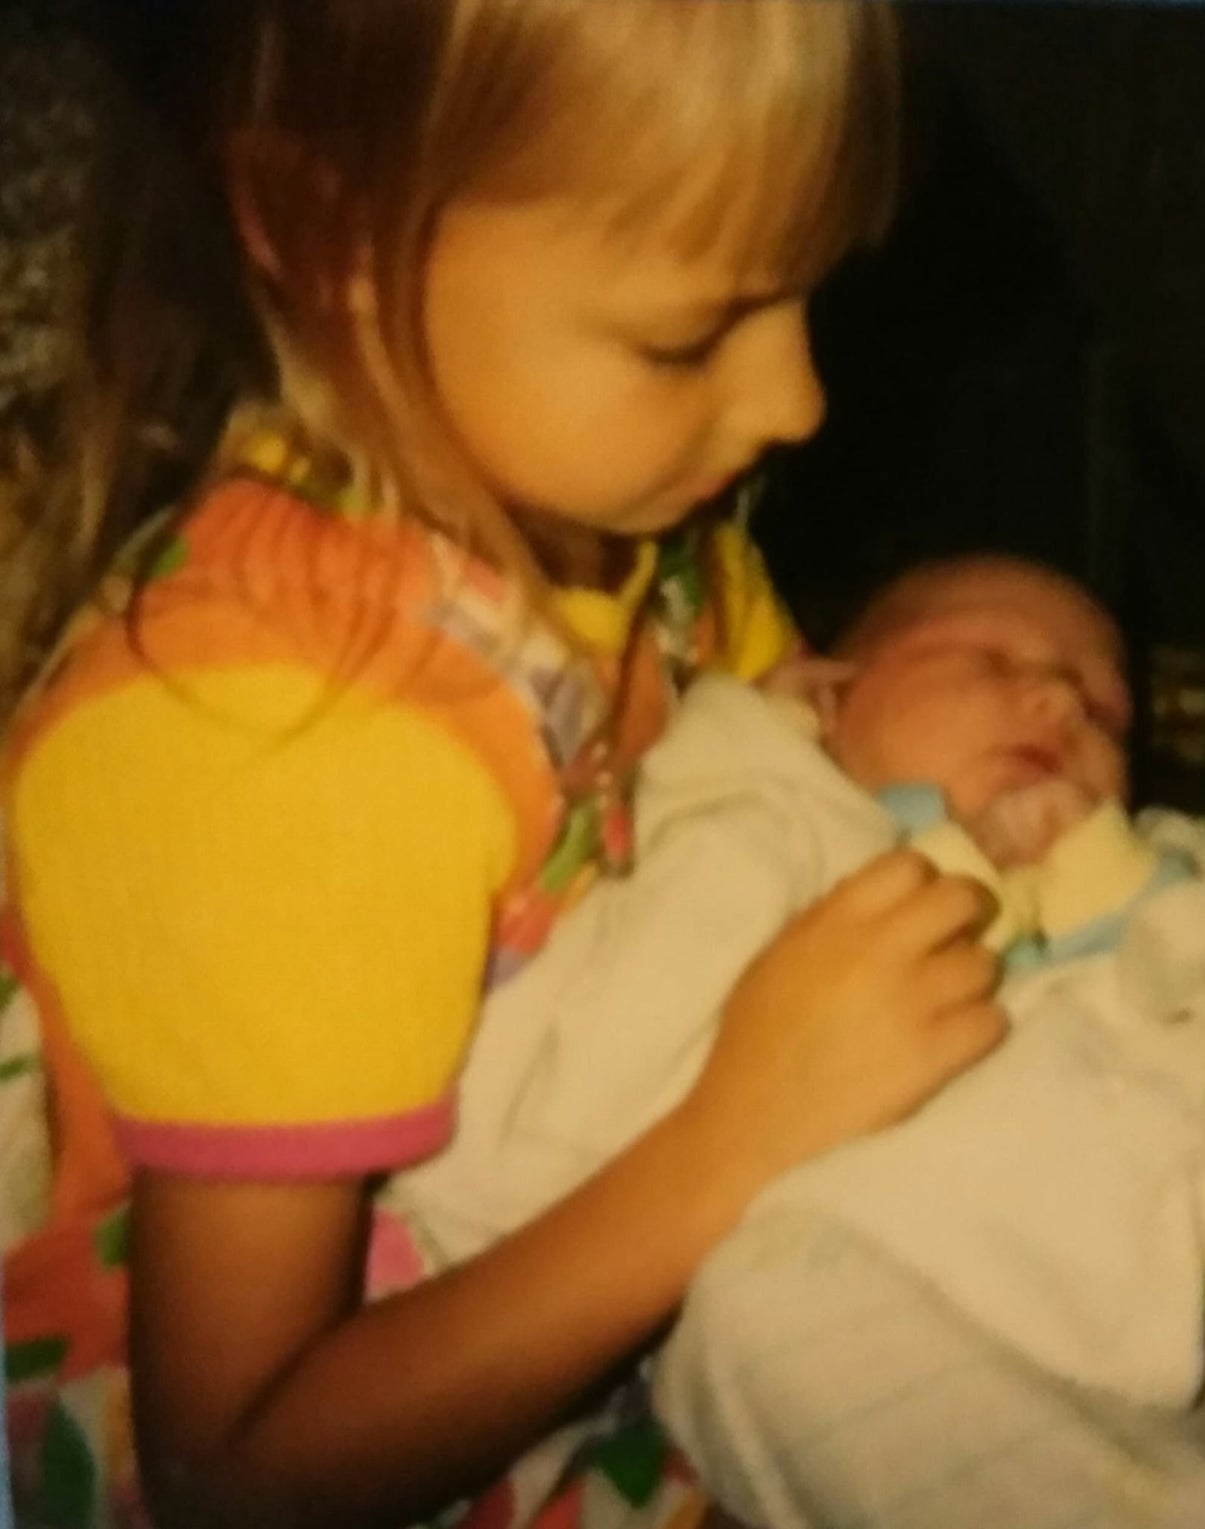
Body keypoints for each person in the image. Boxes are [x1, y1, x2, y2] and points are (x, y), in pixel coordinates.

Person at [0, 5, 1009, 1527]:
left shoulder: (626, 529)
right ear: (328, 237)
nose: (799, 401)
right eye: (688, 334)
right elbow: (235, 1466)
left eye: (809, 295)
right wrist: (734, 1142)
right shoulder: (280, 752)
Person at [387, 554, 1205, 1529]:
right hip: (918, 1307)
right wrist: (755, 751)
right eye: (987, 658)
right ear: (827, 694)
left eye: (1105, 717)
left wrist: (1109, 884)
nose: (1061, 699)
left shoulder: (1148, 850)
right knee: (765, 1326)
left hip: (1179, 1237)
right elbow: (592, 1087)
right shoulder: (761, 825)